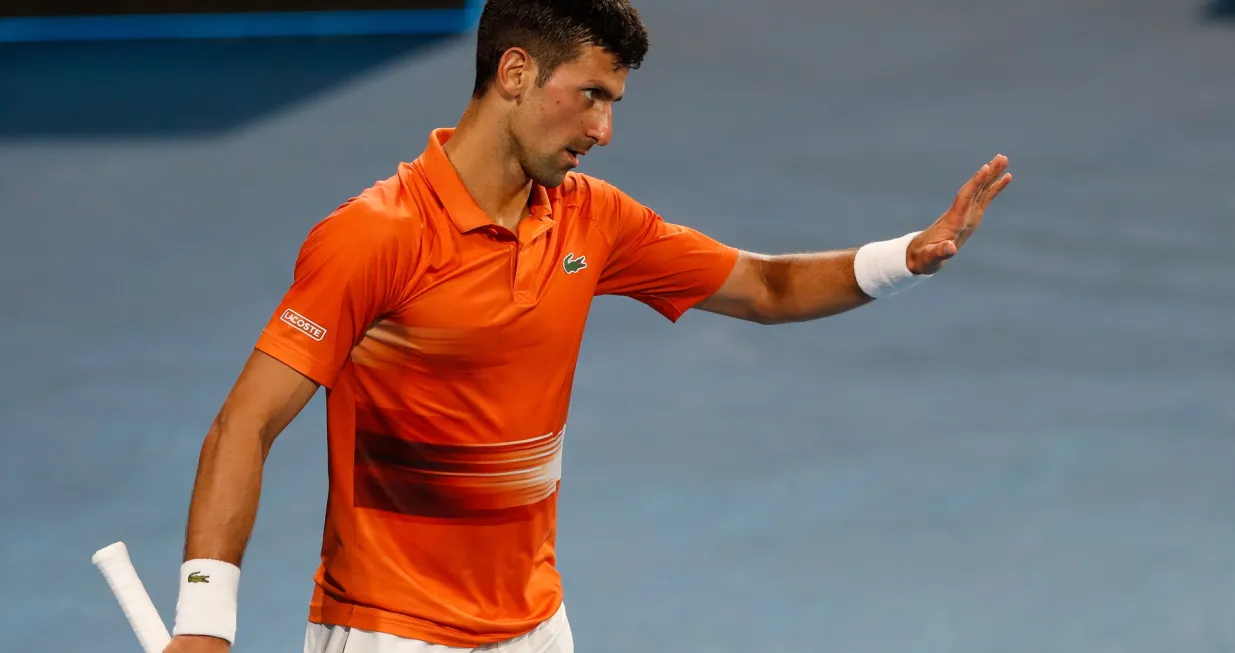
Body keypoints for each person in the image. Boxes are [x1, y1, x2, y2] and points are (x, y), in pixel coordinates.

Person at [162, 1, 1012, 652]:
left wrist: (910, 254)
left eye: (613, 102)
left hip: (535, 623)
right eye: (592, 97)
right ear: (517, 72)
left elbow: (763, 285)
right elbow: (246, 422)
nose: (604, 130)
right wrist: (205, 621)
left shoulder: (592, 221)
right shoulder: (374, 235)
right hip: (394, 628)